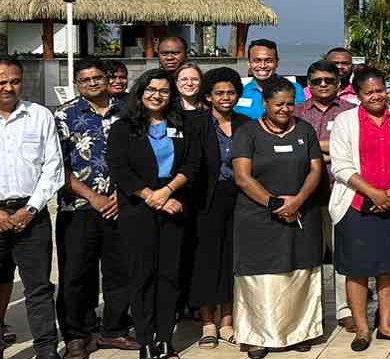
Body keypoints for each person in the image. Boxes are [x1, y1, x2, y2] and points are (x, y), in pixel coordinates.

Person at [108, 69, 203, 359]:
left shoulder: (183, 124)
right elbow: (120, 168)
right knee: (143, 276)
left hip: (175, 204)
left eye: (163, 90)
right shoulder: (123, 127)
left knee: (169, 276)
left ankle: (165, 339)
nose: (156, 95)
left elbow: (193, 163)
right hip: (138, 208)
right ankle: (146, 341)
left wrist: (168, 192)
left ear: (171, 95)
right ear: (140, 92)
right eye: (151, 89)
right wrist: (153, 197)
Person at [230, 75, 324, 359]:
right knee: (261, 276)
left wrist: (298, 201)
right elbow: (242, 177)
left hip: (300, 213)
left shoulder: (304, 129)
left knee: (299, 272)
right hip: (258, 217)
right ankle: (256, 336)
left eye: (290, 104)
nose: (285, 109)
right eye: (278, 104)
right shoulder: (247, 132)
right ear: (265, 104)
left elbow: (316, 170)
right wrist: (274, 204)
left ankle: (299, 332)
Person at [326, 69, 390, 350]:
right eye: (369, 92)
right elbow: (340, 165)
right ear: (358, 95)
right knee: (357, 269)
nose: (376, 96)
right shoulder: (345, 121)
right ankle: (362, 329)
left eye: (380, 90)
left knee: (389, 267)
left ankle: (386, 325)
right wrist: (373, 193)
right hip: (355, 204)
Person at [0, 58, 64, 359]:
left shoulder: (39, 115)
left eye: (14, 81)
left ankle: (46, 350)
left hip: (32, 215)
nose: (8, 87)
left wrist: (30, 209)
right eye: (0, 81)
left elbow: (53, 166)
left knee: (39, 287)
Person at [53, 57, 133, 359]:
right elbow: (56, 164)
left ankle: (114, 329)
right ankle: (77, 334)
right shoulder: (64, 115)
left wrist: (122, 194)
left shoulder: (128, 111)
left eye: (97, 78)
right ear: (77, 84)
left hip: (121, 205)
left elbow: (140, 157)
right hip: (77, 207)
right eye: (85, 80)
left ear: (106, 79)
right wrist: (92, 197)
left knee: (119, 271)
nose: (92, 83)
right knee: (76, 274)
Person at [190, 68, 246, 349]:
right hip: (205, 201)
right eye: (219, 93)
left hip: (240, 199)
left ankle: (227, 321)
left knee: (231, 259)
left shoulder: (246, 123)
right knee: (206, 261)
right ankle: (207, 323)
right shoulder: (195, 123)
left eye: (231, 92)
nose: (225, 97)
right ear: (209, 96)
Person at [233, 41, 304, 120]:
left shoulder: (294, 89)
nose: (262, 66)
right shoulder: (240, 92)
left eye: (268, 61)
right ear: (249, 63)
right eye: (257, 61)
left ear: (277, 63)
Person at [293, 60, 348, 156]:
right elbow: (291, 144)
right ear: (309, 84)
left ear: (338, 83)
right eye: (317, 81)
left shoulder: (351, 111)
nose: (323, 84)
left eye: (329, 81)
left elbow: (353, 145)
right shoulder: (295, 112)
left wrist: (309, 145)